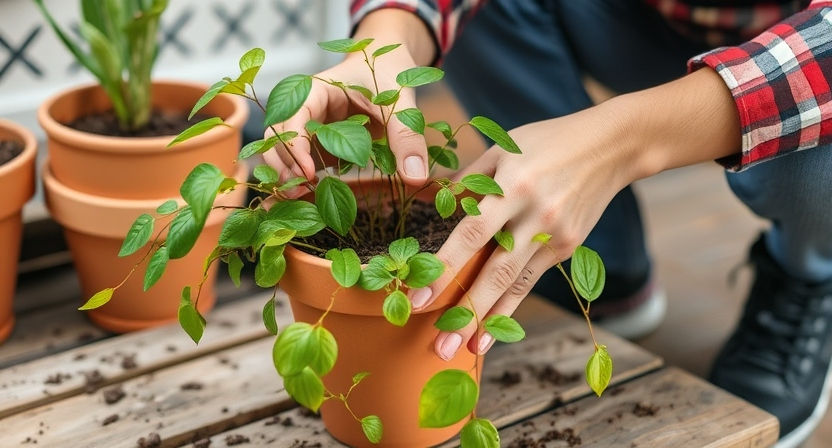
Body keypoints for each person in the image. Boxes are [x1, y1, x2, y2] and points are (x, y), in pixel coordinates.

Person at [263, 1, 832, 445]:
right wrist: (390, 37)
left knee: (815, 154)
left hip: (805, 52)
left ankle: (809, 268)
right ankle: (602, 264)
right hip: (640, 20)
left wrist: (621, 139)